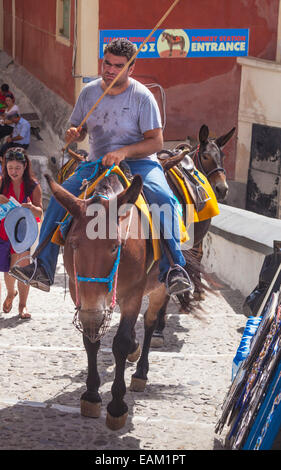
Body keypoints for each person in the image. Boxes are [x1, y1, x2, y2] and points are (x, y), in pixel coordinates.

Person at [9, 38, 192, 296]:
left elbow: (156, 141)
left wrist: (123, 152)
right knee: (60, 200)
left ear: (131, 68)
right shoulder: (90, 93)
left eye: (118, 66)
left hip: (140, 162)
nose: (110, 69)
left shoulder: (142, 97)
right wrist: (75, 133)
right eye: (107, 63)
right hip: (97, 162)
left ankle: (173, 268)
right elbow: (80, 128)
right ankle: (43, 266)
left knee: (162, 199)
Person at [0, 147, 42, 319]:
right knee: (8, 269)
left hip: (24, 231)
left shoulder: (33, 186)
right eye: (10, 168)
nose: (13, 172)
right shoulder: (2, 182)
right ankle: (11, 293)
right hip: (3, 229)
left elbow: (40, 212)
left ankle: (22, 305)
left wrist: (32, 208)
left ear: (25, 167)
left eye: (17, 168)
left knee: (23, 267)